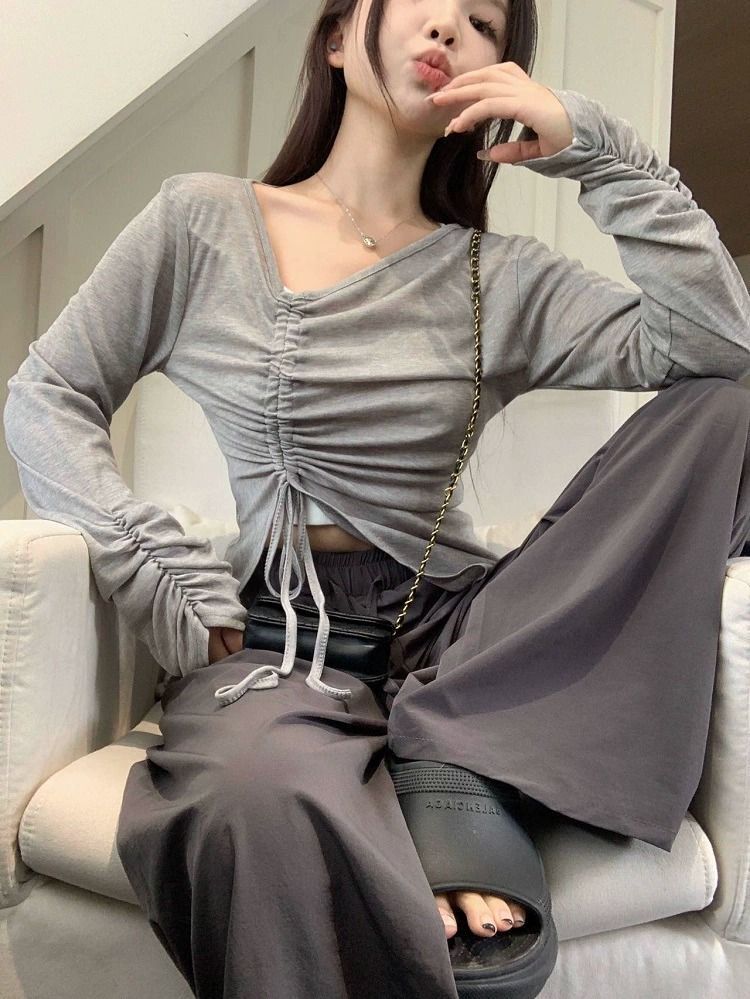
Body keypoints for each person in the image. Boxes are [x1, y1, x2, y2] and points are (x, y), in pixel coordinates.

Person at [5, 1, 750, 996]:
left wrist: (597, 150)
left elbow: (719, 350)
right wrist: (155, 565)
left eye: (482, 20)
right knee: (256, 795)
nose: (445, 28)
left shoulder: (499, 277)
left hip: (468, 636)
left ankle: (452, 749)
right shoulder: (201, 222)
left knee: (731, 411)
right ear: (337, 37)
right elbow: (48, 393)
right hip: (280, 641)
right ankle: (447, 777)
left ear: (501, 75)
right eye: (419, 1)